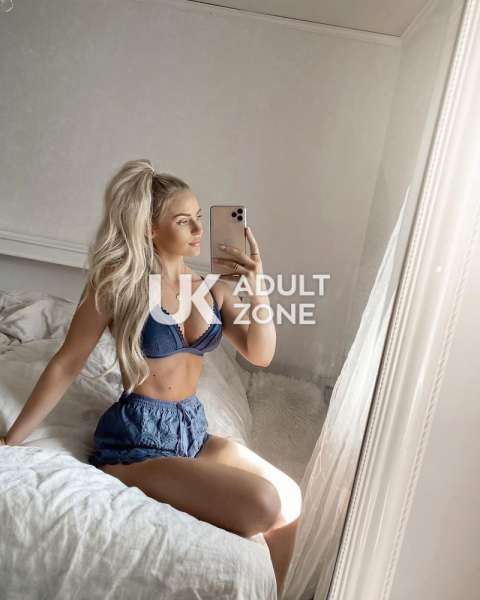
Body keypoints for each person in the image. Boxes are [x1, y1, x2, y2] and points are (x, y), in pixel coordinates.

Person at [0, 158, 302, 596]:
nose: (198, 229)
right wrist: (13, 438)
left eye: (199, 217)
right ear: (150, 229)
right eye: (183, 221)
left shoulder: (212, 287)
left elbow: (261, 353)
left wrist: (257, 286)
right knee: (264, 503)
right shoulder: (118, 286)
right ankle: (123, 473)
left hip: (191, 428)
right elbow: (67, 362)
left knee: (290, 499)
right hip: (139, 436)